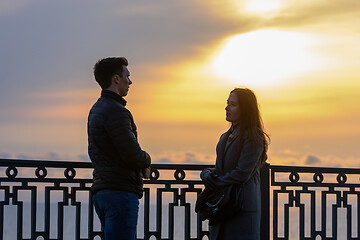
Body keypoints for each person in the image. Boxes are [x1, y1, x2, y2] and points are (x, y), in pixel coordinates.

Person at [88, 57, 151, 240]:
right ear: (116, 78)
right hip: (120, 192)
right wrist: (146, 160)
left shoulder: (96, 109)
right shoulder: (117, 111)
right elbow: (131, 152)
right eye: (127, 76)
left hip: (103, 191)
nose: (130, 81)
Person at [200, 88, 269, 240]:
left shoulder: (253, 135)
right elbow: (222, 168)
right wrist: (206, 173)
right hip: (223, 206)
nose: (227, 108)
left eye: (233, 104)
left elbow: (242, 173)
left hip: (241, 207)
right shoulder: (226, 135)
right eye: (227, 103)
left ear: (244, 109)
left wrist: (215, 181)